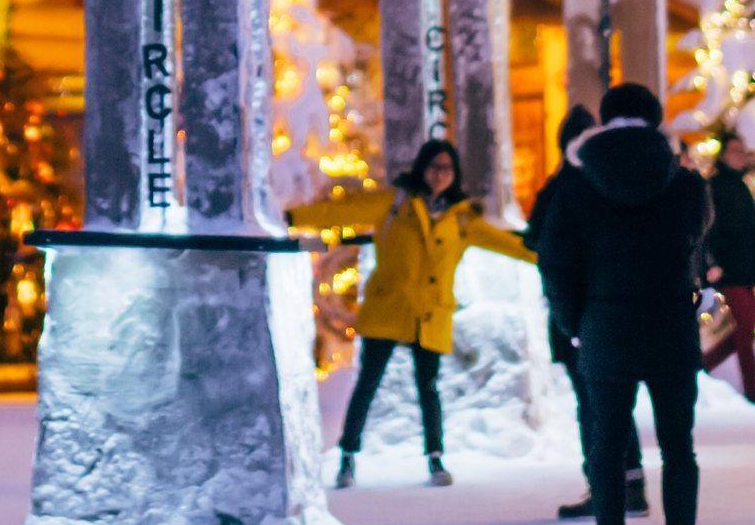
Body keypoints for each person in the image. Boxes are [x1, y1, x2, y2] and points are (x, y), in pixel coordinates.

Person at [288, 137, 534, 489]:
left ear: (455, 174)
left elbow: (506, 243)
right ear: (422, 168)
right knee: (368, 383)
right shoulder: (396, 202)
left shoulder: (461, 217)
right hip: (389, 307)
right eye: (434, 167)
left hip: (430, 313)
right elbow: (343, 212)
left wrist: (549, 255)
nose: (439, 175)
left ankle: (435, 458)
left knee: (428, 386)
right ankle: (348, 455)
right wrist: (293, 217)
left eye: (447, 169)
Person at [539, 83, 709, 525]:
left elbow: (555, 261)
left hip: (605, 323)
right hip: (670, 322)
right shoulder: (684, 182)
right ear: (655, 119)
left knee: (607, 446)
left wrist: (575, 321)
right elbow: (697, 238)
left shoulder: (575, 184)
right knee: (678, 448)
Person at [529, 105, 645, 519]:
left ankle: (606, 486)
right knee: (612, 401)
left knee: (593, 405)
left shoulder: (566, 186)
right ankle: (630, 484)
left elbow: (538, 238)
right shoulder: (610, 181)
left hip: (579, 311)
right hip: (610, 309)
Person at [700, 134, 755, 404]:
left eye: (742, 151)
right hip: (730, 269)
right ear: (723, 155)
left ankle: (699, 368)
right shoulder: (716, 187)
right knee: (746, 329)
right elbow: (711, 230)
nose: (739, 156)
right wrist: (714, 264)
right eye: (734, 151)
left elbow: (751, 233)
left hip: (746, 268)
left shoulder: (739, 186)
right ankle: (752, 389)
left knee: (745, 329)